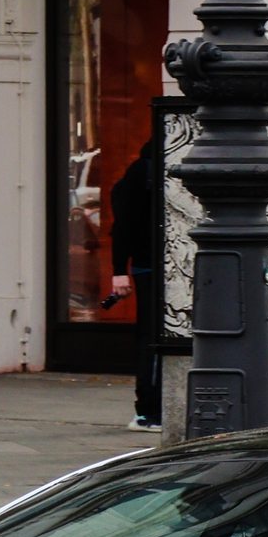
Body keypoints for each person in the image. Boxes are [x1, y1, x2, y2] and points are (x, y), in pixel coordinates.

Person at [104, 135, 163, 431]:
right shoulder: (146, 172)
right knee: (153, 336)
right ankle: (149, 410)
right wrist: (119, 271)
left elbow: (123, 226)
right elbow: (124, 226)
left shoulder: (143, 170)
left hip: (147, 265)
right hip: (151, 266)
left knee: (152, 335)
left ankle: (150, 409)